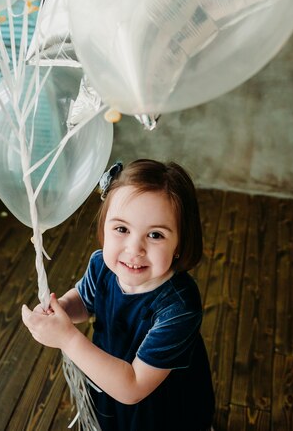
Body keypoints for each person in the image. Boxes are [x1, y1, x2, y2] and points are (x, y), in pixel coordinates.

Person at [22, 159, 215, 431]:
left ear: (180, 244)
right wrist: (62, 308)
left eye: (156, 235)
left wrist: (66, 337)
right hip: (109, 371)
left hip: (159, 399)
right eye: (122, 229)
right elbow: (84, 300)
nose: (134, 249)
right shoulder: (102, 265)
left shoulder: (179, 306)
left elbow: (133, 387)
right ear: (104, 230)